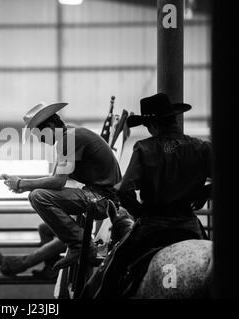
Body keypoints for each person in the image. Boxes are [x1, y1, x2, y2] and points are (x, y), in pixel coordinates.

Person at [88, 92, 212, 299]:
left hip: (153, 225)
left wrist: (141, 212)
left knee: (112, 270)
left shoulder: (145, 148)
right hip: (188, 223)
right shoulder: (201, 147)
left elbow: (124, 190)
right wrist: (204, 193)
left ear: (153, 124)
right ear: (174, 119)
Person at [3, 102, 122, 271]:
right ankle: (74, 247)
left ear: (51, 125)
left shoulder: (69, 138)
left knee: (37, 196)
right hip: (102, 197)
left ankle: (80, 244)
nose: (40, 139)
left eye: (40, 134)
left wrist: (22, 184)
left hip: (103, 200)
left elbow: (58, 182)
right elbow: (55, 181)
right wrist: (23, 185)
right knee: (40, 203)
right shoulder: (70, 136)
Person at [0, 223, 66, 279]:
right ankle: (51, 269)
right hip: (76, 226)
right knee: (44, 228)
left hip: (77, 234)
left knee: (63, 239)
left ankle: (12, 264)